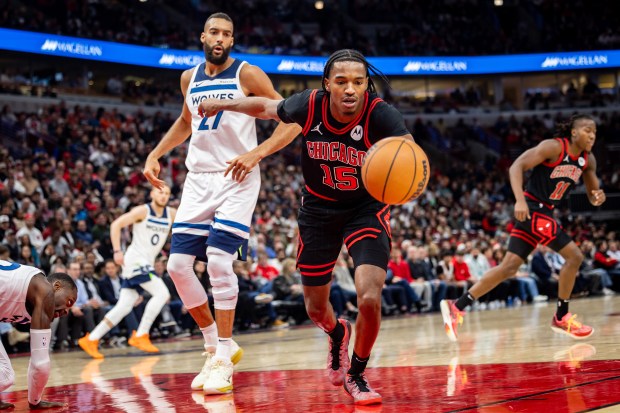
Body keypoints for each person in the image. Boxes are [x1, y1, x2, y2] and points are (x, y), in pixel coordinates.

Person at [197, 49, 413, 405]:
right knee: (315, 308)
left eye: (358, 82)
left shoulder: (380, 113)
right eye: (341, 81)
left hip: (365, 209)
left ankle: (357, 374)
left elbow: (408, 150)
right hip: (318, 212)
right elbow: (265, 108)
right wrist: (224, 104)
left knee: (370, 295)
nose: (350, 89)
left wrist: (404, 164)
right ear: (327, 84)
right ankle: (337, 332)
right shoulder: (309, 104)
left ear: (366, 85)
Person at [142, 12, 301, 395]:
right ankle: (216, 348)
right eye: (214, 31)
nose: (220, 38)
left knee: (216, 259)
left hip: (237, 176)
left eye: (226, 34)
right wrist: (156, 153)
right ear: (202, 36)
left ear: (232, 40)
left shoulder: (248, 73)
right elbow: (186, 120)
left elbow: (292, 120)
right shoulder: (189, 78)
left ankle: (222, 357)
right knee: (178, 266)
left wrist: (256, 154)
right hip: (198, 179)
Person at [441, 114, 606, 341]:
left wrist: (597, 198)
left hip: (545, 211)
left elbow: (592, 194)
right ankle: (561, 316)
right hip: (532, 208)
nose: (592, 135)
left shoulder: (588, 160)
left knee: (509, 267)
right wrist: (519, 200)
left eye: (595, 132)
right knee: (575, 257)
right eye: (588, 130)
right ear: (574, 132)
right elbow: (516, 166)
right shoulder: (554, 147)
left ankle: (456, 306)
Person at [78, 185, 176, 358]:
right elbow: (116, 224)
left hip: (146, 262)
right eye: (160, 192)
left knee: (124, 306)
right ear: (152, 193)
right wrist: (117, 250)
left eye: (167, 193)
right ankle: (141, 334)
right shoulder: (142, 211)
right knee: (162, 293)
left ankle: (91, 339)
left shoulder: (172, 214)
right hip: (135, 260)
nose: (164, 196)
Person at [0, 244, 77, 409]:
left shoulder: (35, 295)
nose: (65, 311)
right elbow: (40, 364)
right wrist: (35, 401)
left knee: (4, 374)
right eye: (69, 301)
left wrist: (35, 401)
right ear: (56, 286)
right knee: (5, 377)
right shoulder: (45, 290)